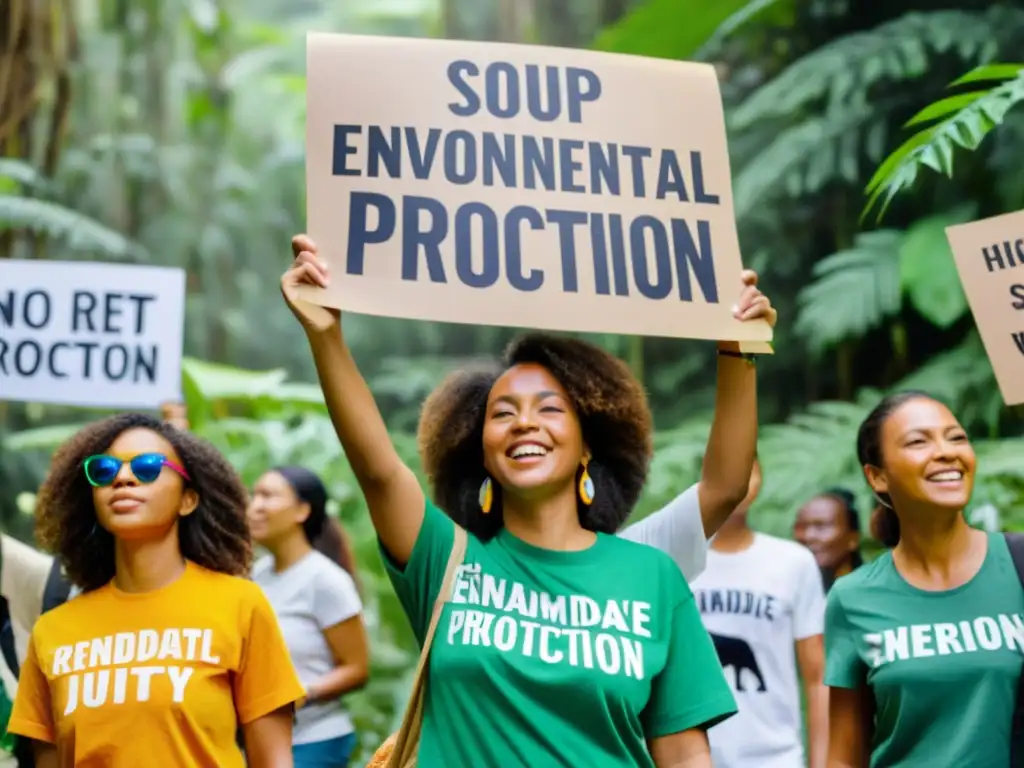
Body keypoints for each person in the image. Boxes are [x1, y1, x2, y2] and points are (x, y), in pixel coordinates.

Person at [281, 234, 776, 767]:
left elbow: (683, 754)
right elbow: (379, 471)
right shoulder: (445, 561)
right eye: (502, 413)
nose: (524, 423)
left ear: (589, 445)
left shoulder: (652, 575)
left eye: (550, 409)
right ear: (482, 454)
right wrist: (326, 335)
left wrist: (736, 348)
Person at [7, 413, 306, 767]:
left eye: (147, 467)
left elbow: (273, 760)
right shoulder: (53, 631)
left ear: (188, 500)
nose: (123, 478)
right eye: (104, 471)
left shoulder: (239, 605)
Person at [825, 391, 1024, 767]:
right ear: (878, 476)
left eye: (957, 437)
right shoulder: (852, 598)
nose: (946, 451)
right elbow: (843, 756)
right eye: (919, 441)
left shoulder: (1019, 565)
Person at [691, 457, 828, 768]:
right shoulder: (672, 560)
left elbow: (817, 676)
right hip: (687, 756)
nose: (736, 479)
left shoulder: (793, 562)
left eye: (746, 469)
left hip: (774, 757)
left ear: (761, 478)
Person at [249, 466, 370, 768]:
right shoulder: (258, 575)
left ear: (302, 510)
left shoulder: (325, 580)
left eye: (268, 496)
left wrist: (299, 696)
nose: (255, 506)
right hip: (263, 741)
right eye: (254, 496)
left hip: (315, 740)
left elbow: (357, 669)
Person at [792, 488, 864, 591]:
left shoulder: (872, 592)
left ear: (853, 538)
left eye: (821, 526)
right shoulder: (791, 590)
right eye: (801, 526)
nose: (808, 536)